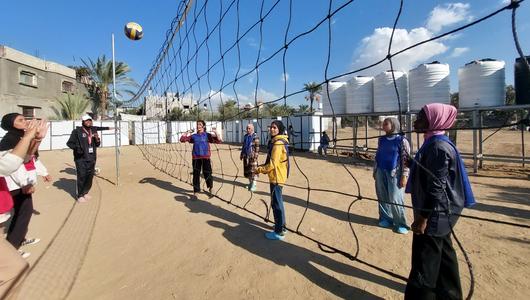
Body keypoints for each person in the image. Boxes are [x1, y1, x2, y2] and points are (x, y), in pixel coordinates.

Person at [404, 103, 475, 300]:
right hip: (443, 213)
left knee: (424, 265)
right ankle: (451, 296)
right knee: (445, 259)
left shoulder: (437, 146)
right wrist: (413, 164)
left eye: (420, 118)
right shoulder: (434, 141)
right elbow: (433, 172)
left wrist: (423, 218)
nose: (415, 121)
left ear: (434, 120)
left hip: (435, 213)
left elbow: (436, 186)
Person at [0, 118, 47, 298]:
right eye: (20, 119)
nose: (27, 121)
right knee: (15, 269)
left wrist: (36, 139)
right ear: (11, 125)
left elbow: (26, 158)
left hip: (7, 202)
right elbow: (8, 165)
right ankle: (15, 243)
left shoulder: (17, 138)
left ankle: (15, 243)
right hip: (15, 188)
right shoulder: (11, 139)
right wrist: (28, 136)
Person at [373, 117, 410, 234]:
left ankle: (401, 223)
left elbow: (406, 159)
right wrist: (375, 170)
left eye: (386, 123)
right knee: (382, 195)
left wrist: (405, 175)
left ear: (393, 125)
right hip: (380, 171)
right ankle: (385, 219)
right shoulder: (381, 139)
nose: (383, 125)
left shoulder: (402, 140)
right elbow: (377, 155)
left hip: (395, 173)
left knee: (395, 198)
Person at [256, 120, 289, 241]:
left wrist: (258, 169)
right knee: (279, 202)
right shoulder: (278, 141)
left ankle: (279, 232)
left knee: (276, 204)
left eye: (274, 127)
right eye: (271, 127)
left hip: (276, 177)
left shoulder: (278, 144)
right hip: (279, 176)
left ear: (279, 129)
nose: (272, 129)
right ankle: (282, 226)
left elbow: (272, 165)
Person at [179, 120, 222, 196]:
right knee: (196, 174)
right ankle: (196, 191)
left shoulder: (207, 135)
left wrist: (215, 132)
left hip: (206, 157)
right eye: (197, 124)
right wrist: (187, 132)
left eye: (200, 124)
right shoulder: (194, 136)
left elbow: (218, 140)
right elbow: (182, 139)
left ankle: (211, 188)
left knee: (207, 173)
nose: (198, 126)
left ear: (203, 126)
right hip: (196, 158)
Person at [66, 114, 103, 203]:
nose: (89, 122)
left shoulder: (93, 131)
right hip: (81, 158)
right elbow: (69, 143)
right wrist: (77, 149)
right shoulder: (77, 131)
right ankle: (80, 195)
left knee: (89, 176)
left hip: (91, 158)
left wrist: (97, 139)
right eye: (86, 120)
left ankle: (85, 192)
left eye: (90, 120)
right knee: (82, 176)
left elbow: (97, 145)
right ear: (83, 122)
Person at [240, 123, 260, 192]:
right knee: (248, 171)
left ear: (252, 129)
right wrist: (242, 154)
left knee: (253, 171)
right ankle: (250, 183)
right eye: (247, 128)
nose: (247, 130)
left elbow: (257, 148)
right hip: (246, 156)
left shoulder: (255, 137)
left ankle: (254, 185)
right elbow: (243, 146)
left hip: (252, 157)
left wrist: (255, 157)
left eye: (249, 128)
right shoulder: (245, 136)